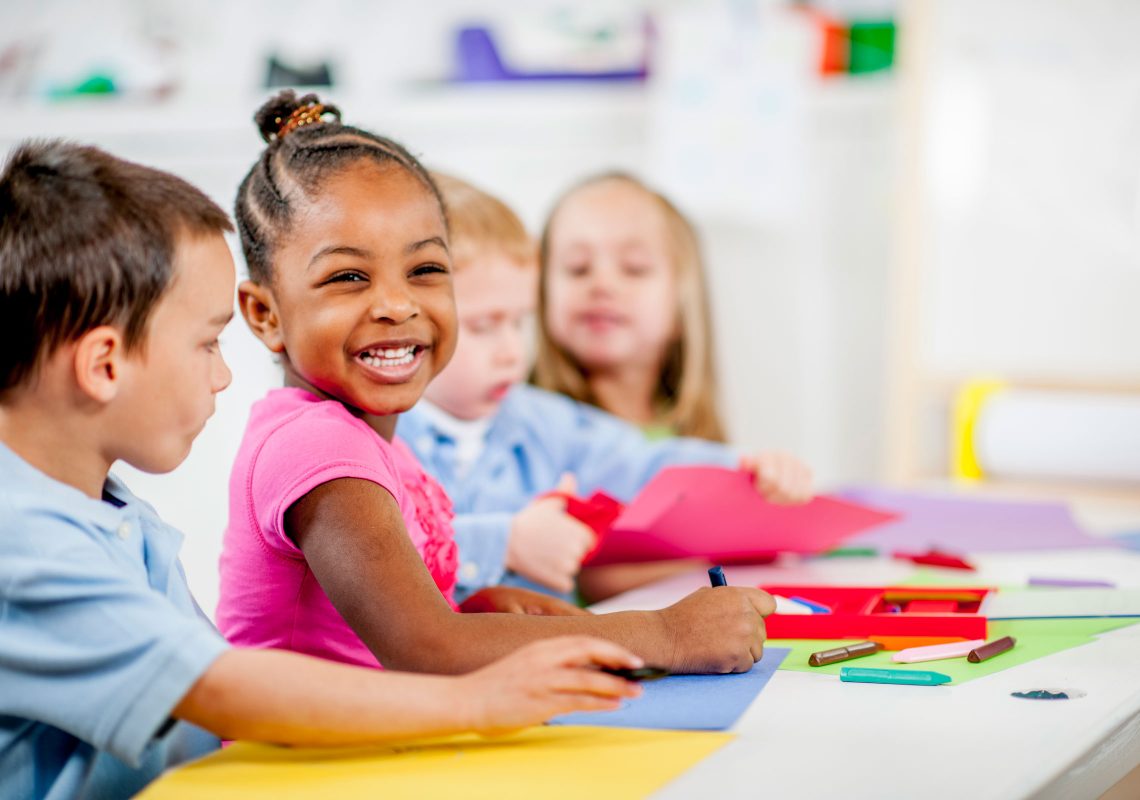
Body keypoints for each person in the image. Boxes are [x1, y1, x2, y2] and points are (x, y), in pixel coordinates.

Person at [0, 140, 647, 800]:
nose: (223, 376)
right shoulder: (24, 546)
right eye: (206, 343)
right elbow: (217, 686)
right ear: (104, 365)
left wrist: (470, 618)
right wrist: (477, 701)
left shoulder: (104, 512)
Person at [219, 90, 775, 676]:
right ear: (265, 315)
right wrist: (664, 633)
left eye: (426, 270)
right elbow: (426, 649)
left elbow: (393, 633)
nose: (396, 304)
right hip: (300, 766)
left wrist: (480, 612)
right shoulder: (318, 449)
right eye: (349, 276)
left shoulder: (376, 442)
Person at [402, 173, 813, 603]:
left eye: (520, 322)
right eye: (484, 326)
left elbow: (642, 463)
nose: (511, 351)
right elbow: (376, 550)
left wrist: (748, 470)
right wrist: (505, 543)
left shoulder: (543, 420)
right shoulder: (381, 435)